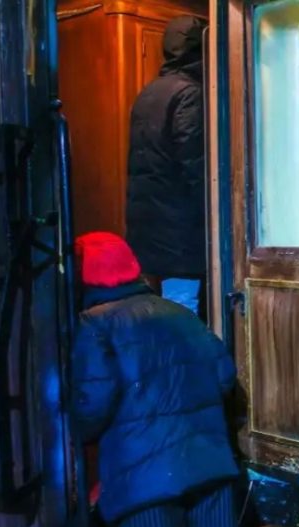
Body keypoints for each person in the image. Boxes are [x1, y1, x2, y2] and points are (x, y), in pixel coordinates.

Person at [71, 232, 241, 527]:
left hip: (144, 480)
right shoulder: (179, 313)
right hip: (210, 466)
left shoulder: (94, 325)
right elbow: (224, 376)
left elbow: (92, 406)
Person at [126, 16, 209, 317]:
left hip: (151, 220)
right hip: (180, 223)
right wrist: (215, 209)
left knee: (167, 303)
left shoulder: (149, 92)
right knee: (182, 305)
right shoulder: (190, 92)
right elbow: (194, 160)